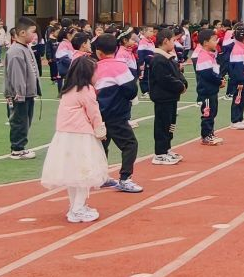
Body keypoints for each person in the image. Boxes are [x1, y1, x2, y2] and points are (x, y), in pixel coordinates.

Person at [44, 54, 108, 223]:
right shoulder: (86, 90)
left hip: (64, 136)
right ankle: (78, 208)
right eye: (95, 72)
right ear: (88, 74)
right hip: (81, 136)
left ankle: (75, 206)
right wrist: (100, 131)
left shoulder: (68, 90)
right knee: (84, 173)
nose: (98, 75)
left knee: (73, 174)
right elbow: (94, 113)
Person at [92, 34, 143, 193]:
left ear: (98, 52)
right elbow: (131, 89)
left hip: (98, 116)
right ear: (115, 49)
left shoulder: (94, 68)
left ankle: (100, 176)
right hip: (117, 115)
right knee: (130, 144)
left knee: (101, 146)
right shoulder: (119, 66)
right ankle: (125, 178)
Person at [145, 27, 186, 165]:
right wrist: (180, 86)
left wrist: (183, 83)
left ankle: (167, 148)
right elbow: (165, 79)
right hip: (163, 98)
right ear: (165, 41)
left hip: (171, 97)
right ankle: (160, 153)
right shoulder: (158, 59)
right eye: (173, 40)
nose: (174, 43)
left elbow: (177, 73)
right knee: (162, 126)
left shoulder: (168, 58)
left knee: (170, 125)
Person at [3, 24, 40, 160]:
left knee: (25, 120)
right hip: (19, 94)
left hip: (27, 93)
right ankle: (17, 149)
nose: (34, 35)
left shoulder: (25, 48)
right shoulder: (16, 51)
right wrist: (20, 93)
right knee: (19, 121)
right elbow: (17, 75)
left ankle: (20, 146)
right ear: (23, 33)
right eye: (32, 32)